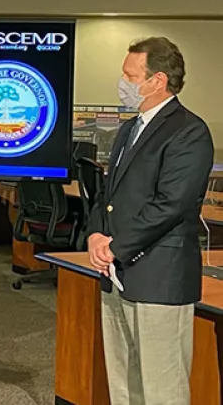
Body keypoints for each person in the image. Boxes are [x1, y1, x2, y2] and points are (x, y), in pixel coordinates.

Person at [87, 36, 213, 405]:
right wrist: (96, 234)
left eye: (129, 75)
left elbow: (171, 204)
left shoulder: (189, 131)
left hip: (159, 276)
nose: (122, 83)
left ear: (157, 80)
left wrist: (115, 247)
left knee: (162, 388)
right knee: (124, 383)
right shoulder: (129, 128)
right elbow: (108, 193)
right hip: (116, 274)